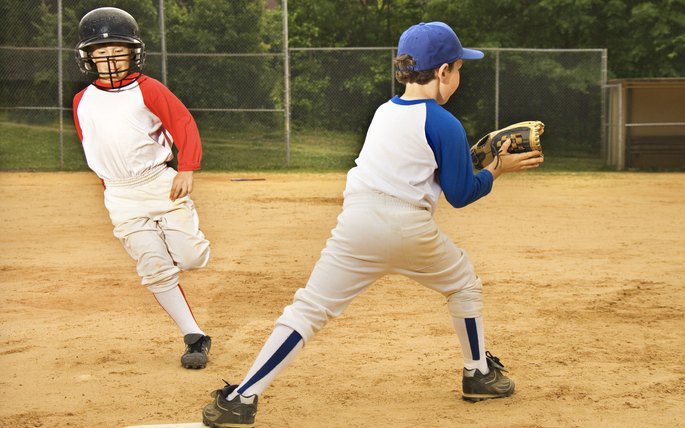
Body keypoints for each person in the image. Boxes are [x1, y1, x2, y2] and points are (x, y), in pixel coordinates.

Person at [201, 21, 544, 427]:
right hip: (408, 229)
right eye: (458, 68)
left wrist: (474, 160)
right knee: (463, 284)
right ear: (442, 72)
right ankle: (478, 375)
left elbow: (415, 169)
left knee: (308, 310)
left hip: (357, 225)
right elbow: (460, 193)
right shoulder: (445, 123)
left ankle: (242, 398)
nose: (458, 76)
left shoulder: (384, 112)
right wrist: (498, 169)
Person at [72, 7, 212, 369]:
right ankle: (194, 336)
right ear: (88, 58)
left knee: (193, 258)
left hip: (159, 185)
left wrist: (187, 168)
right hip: (120, 195)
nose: (110, 59)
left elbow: (183, 123)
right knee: (153, 267)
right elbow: (94, 146)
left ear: (133, 52)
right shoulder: (82, 101)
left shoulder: (148, 89)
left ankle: (175, 235)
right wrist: (111, 190)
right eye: (101, 53)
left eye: (118, 50)